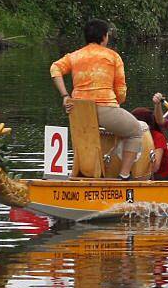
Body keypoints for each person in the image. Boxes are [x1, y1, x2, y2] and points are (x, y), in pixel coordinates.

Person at [50, 19, 143, 181]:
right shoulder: (113, 56)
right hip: (105, 109)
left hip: (78, 111)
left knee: (83, 137)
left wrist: (65, 96)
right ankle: (124, 175)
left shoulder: (74, 56)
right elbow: (121, 91)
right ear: (104, 37)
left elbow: (55, 68)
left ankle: (77, 174)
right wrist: (119, 102)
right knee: (136, 131)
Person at [131, 107, 168, 180]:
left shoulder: (158, 137)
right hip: (142, 177)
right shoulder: (132, 137)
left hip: (163, 179)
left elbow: (155, 167)